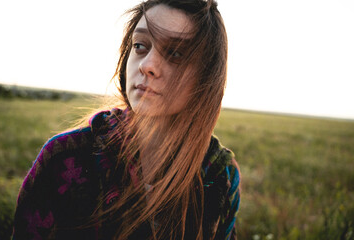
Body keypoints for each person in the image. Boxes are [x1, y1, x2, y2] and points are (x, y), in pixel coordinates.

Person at [12, 0, 240, 239]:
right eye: (140, 45)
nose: (147, 65)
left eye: (175, 53)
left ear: (207, 76)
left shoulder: (219, 175)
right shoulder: (64, 158)